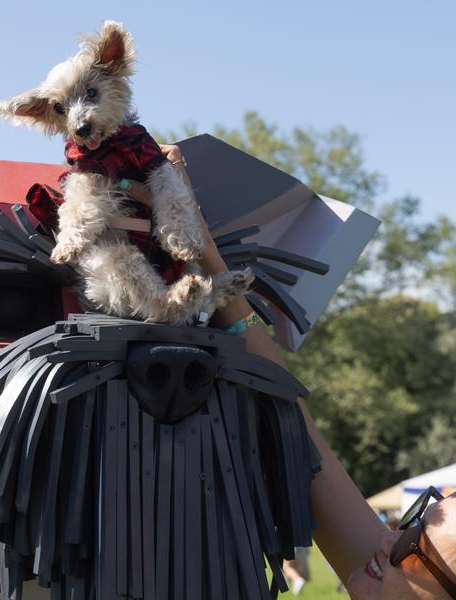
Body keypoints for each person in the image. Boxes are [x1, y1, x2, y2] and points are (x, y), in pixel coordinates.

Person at [122, 144, 456, 599]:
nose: (388, 539)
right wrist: (206, 253)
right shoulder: (385, 569)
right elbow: (294, 425)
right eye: (412, 522)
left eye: (414, 548)